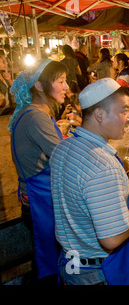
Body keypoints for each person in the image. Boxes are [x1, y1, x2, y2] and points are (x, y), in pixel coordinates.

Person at [50, 78, 129, 285]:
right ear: (99, 114)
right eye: (123, 111)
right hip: (97, 273)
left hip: (70, 264)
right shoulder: (102, 166)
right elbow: (111, 239)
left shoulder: (62, 148)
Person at [8, 59, 68, 284]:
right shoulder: (36, 117)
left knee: (45, 256)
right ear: (40, 86)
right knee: (48, 261)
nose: (66, 87)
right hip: (39, 199)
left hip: (37, 196)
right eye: (60, 81)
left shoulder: (34, 112)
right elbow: (64, 156)